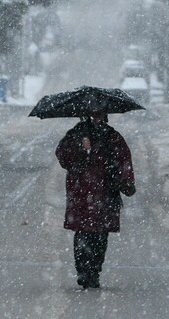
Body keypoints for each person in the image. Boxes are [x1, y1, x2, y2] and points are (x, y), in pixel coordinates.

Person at [55, 111, 135, 289]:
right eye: (92, 114)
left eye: (99, 114)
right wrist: (80, 149)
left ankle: (94, 270)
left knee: (99, 234)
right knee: (84, 232)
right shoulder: (76, 134)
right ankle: (84, 271)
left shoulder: (111, 136)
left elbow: (123, 159)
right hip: (82, 193)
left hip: (105, 193)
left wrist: (125, 180)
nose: (95, 118)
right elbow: (63, 156)